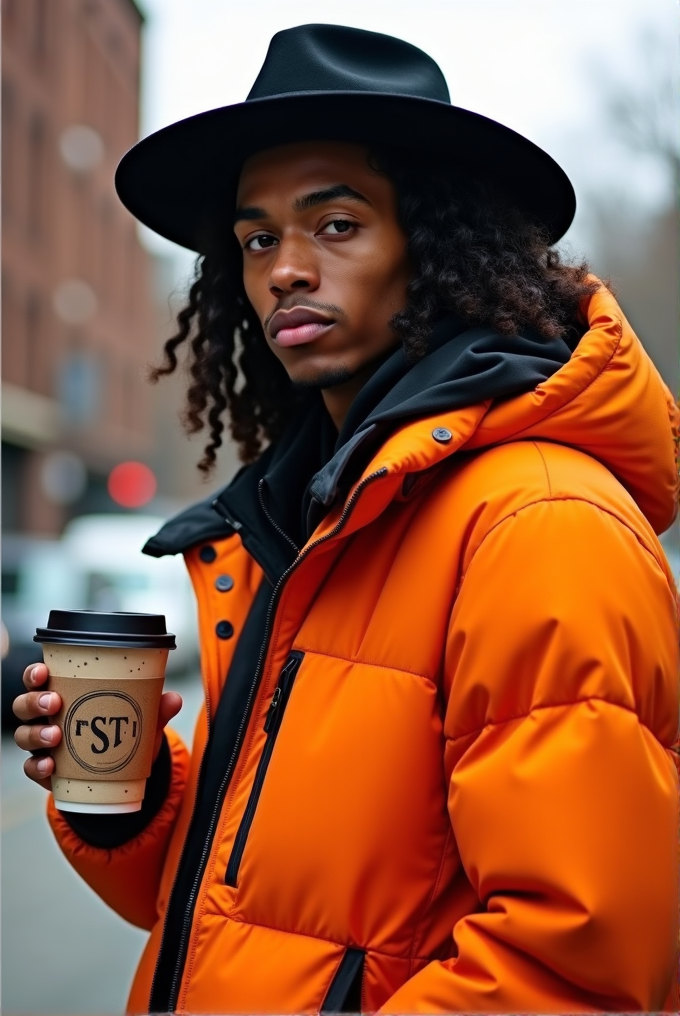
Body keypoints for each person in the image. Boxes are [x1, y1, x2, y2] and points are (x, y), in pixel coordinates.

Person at [14, 24, 678, 1015]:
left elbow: (577, 964)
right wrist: (137, 796)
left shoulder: (537, 520)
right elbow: (244, 918)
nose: (283, 268)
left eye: (334, 225)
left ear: (437, 244)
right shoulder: (303, 526)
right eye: (256, 237)